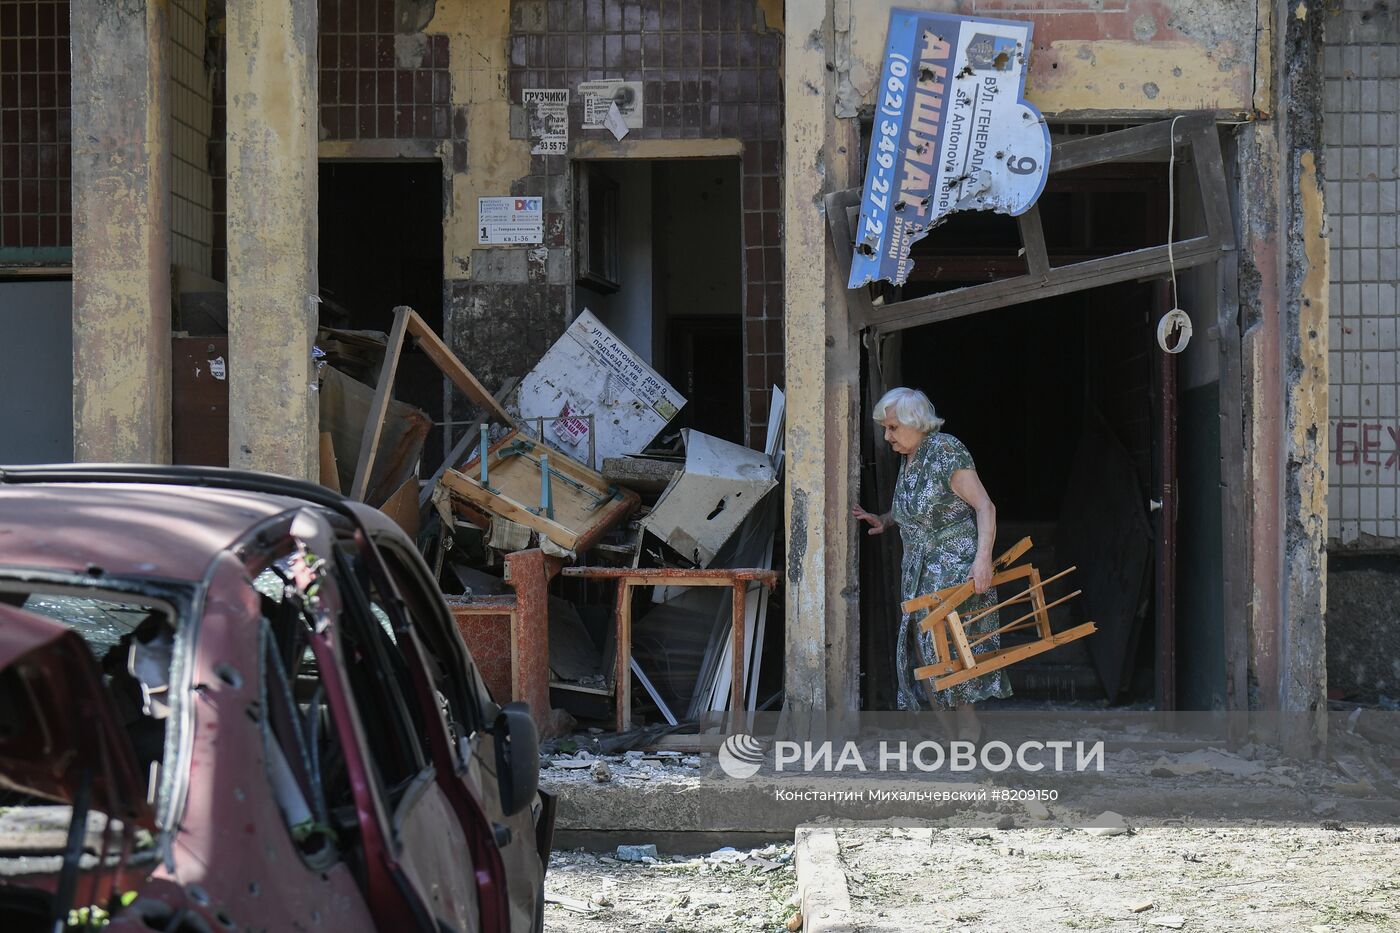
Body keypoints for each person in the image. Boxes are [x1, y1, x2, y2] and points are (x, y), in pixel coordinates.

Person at [853, 387, 1011, 737]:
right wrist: (886, 519)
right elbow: (921, 507)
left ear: (914, 423)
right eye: (885, 428)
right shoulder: (909, 459)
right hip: (918, 570)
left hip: (954, 566)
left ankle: (968, 731)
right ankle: (951, 734)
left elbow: (985, 506)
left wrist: (983, 559)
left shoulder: (945, 451)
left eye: (892, 427)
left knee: (954, 648)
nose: (887, 436)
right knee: (925, 650)